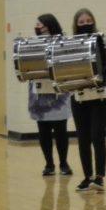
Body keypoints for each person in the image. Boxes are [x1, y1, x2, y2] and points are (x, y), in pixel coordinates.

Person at [71, 8, 106, 194]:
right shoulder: (72, 43)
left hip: (101, 96)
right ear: (76, 25)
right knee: (83, 138)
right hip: (80, 97)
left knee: (97, 135)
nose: (85, 24)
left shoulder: (104, 40)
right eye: (81, 22)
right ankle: (87, 177)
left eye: (88, 21)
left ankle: (99, 177)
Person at [29, 14, 72, 176]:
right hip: (39, 93)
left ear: (48, 25)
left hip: (58, 94)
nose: (37, 27)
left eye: (39, 24)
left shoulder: (63, 41)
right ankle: (49, 164)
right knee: (43, 131)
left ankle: (63, 163)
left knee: (61, 130)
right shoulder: (33, 43)